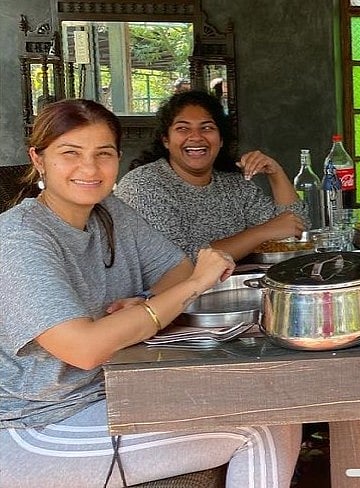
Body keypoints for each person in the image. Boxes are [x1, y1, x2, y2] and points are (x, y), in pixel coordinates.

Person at [0, 99, 301, 487]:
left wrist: (144, 303)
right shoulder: (20, 237)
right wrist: (189, 288)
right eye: (70, 153)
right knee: (262, 425)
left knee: (279, 400)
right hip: (38, 423)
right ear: (38, 159)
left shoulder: (109, 211)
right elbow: (84, 348)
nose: (89, 168)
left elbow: (176, 271)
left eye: (103, 154)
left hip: (117, 392)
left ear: (117, 158)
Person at [115, 90, 306, 260]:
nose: (196, 137)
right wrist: (262, 232)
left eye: (207, 128)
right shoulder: (143, 185)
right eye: (183, 128)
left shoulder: (234, 184)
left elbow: (293, 229)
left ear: (221, 140)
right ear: (166, 140)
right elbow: (176, 263)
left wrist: (276, 173)